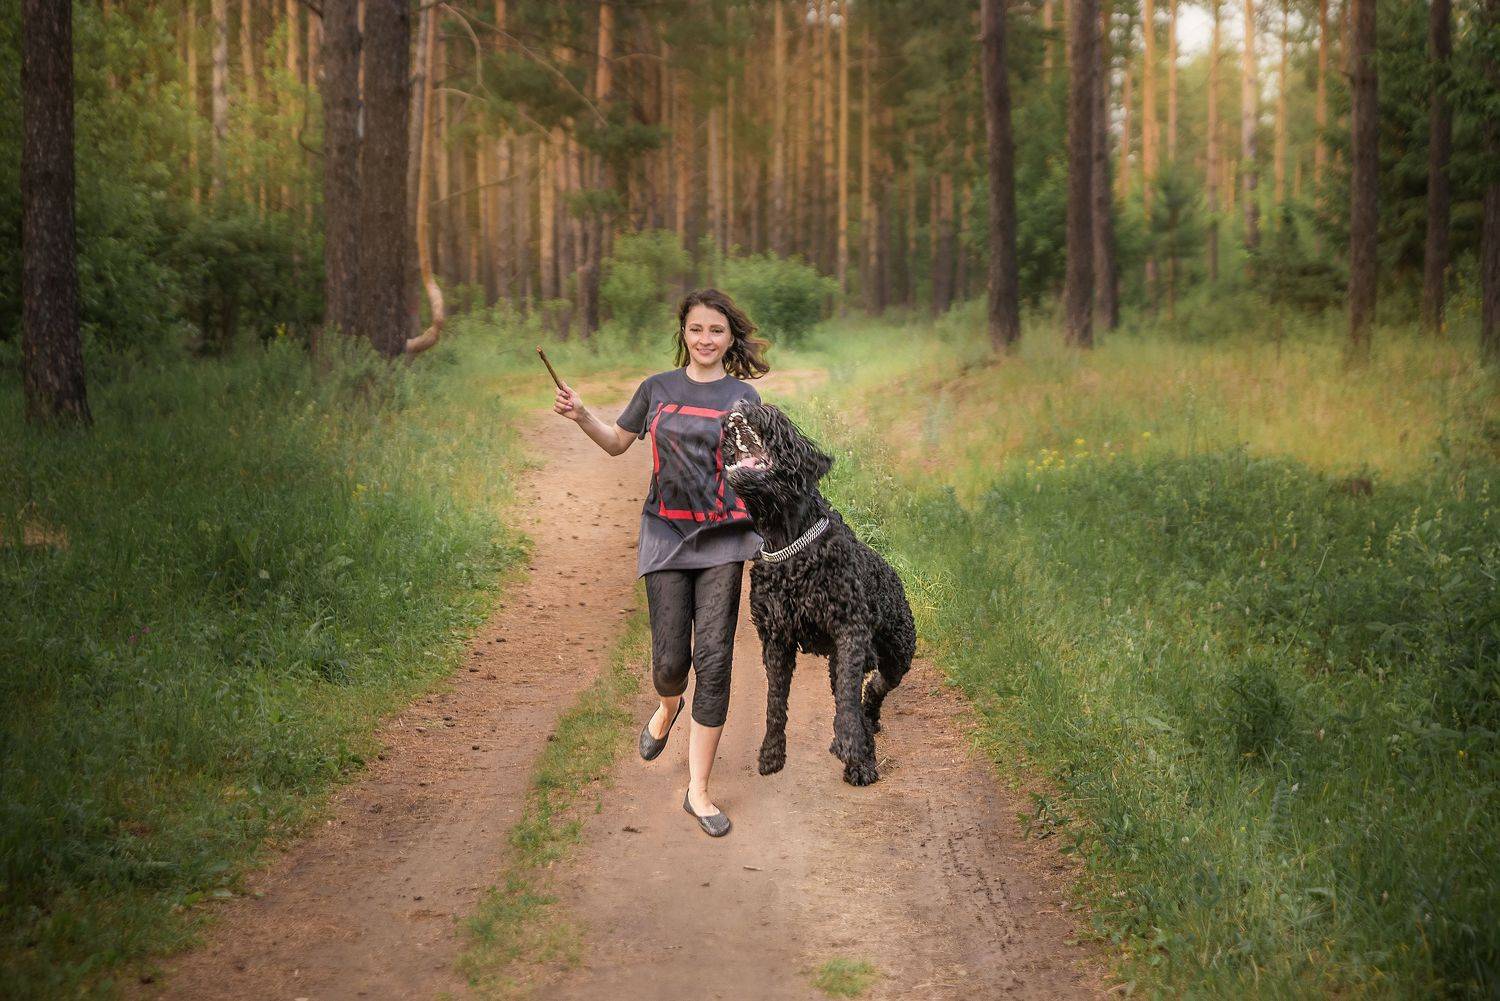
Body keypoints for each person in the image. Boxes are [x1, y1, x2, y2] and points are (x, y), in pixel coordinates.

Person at [552, 288, 771, 837]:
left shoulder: (743, 397)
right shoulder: (657, 389)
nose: (705, 339)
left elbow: (759, 468)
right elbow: (615, 443)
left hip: (724, 539)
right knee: (671, 663)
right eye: (696, 329)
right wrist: (581, 415)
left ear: (730, 338)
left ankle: (698, 790)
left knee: (714, 660)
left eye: (716, 330)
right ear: (684, 333)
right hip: (665, 535)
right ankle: (668, 707)